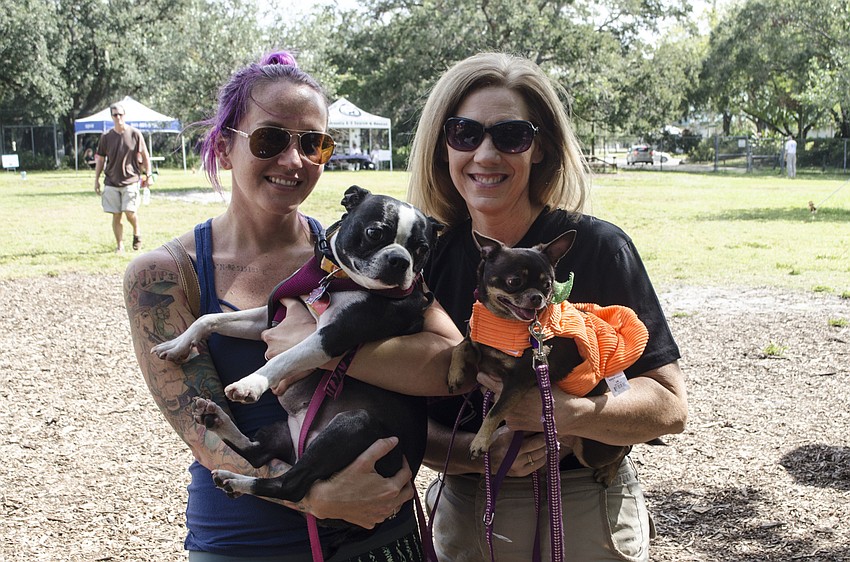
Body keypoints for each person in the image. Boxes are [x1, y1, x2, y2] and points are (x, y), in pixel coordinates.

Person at [123, 51, 461, 561]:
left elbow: (453, 366)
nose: (294, 160)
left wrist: (327, 349)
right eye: (270, 139)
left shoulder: (360, 254)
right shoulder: (164, 274)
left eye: (314, 144)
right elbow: (199, 424)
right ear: (224, 145)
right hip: (247, 541)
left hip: (378, 532)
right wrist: (314, 496)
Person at [406, 52, 689, 562]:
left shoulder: (600, 247)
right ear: (441, 146)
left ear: (540, 149)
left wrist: (567, 413)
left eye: (511, 135)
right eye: (465, 133)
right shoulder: (425, 259)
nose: (485, 154)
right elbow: (397, 415)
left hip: (582, 504)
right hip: (467, 505)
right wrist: (473, 458)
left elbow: (668, 409)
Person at [94, 103, 152, 252]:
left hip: (131, 180)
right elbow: (100, 159)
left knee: (130, 212)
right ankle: (120, 245)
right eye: (115, 115)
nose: (118, 117)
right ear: (111, 117)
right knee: (116, 215)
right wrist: (96, 180)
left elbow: (145, 155)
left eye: (120, 114)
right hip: (111, 181)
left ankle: (136, 231)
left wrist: (149, 175)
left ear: (124, 115)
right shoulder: (106, 137)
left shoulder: (135, 134)